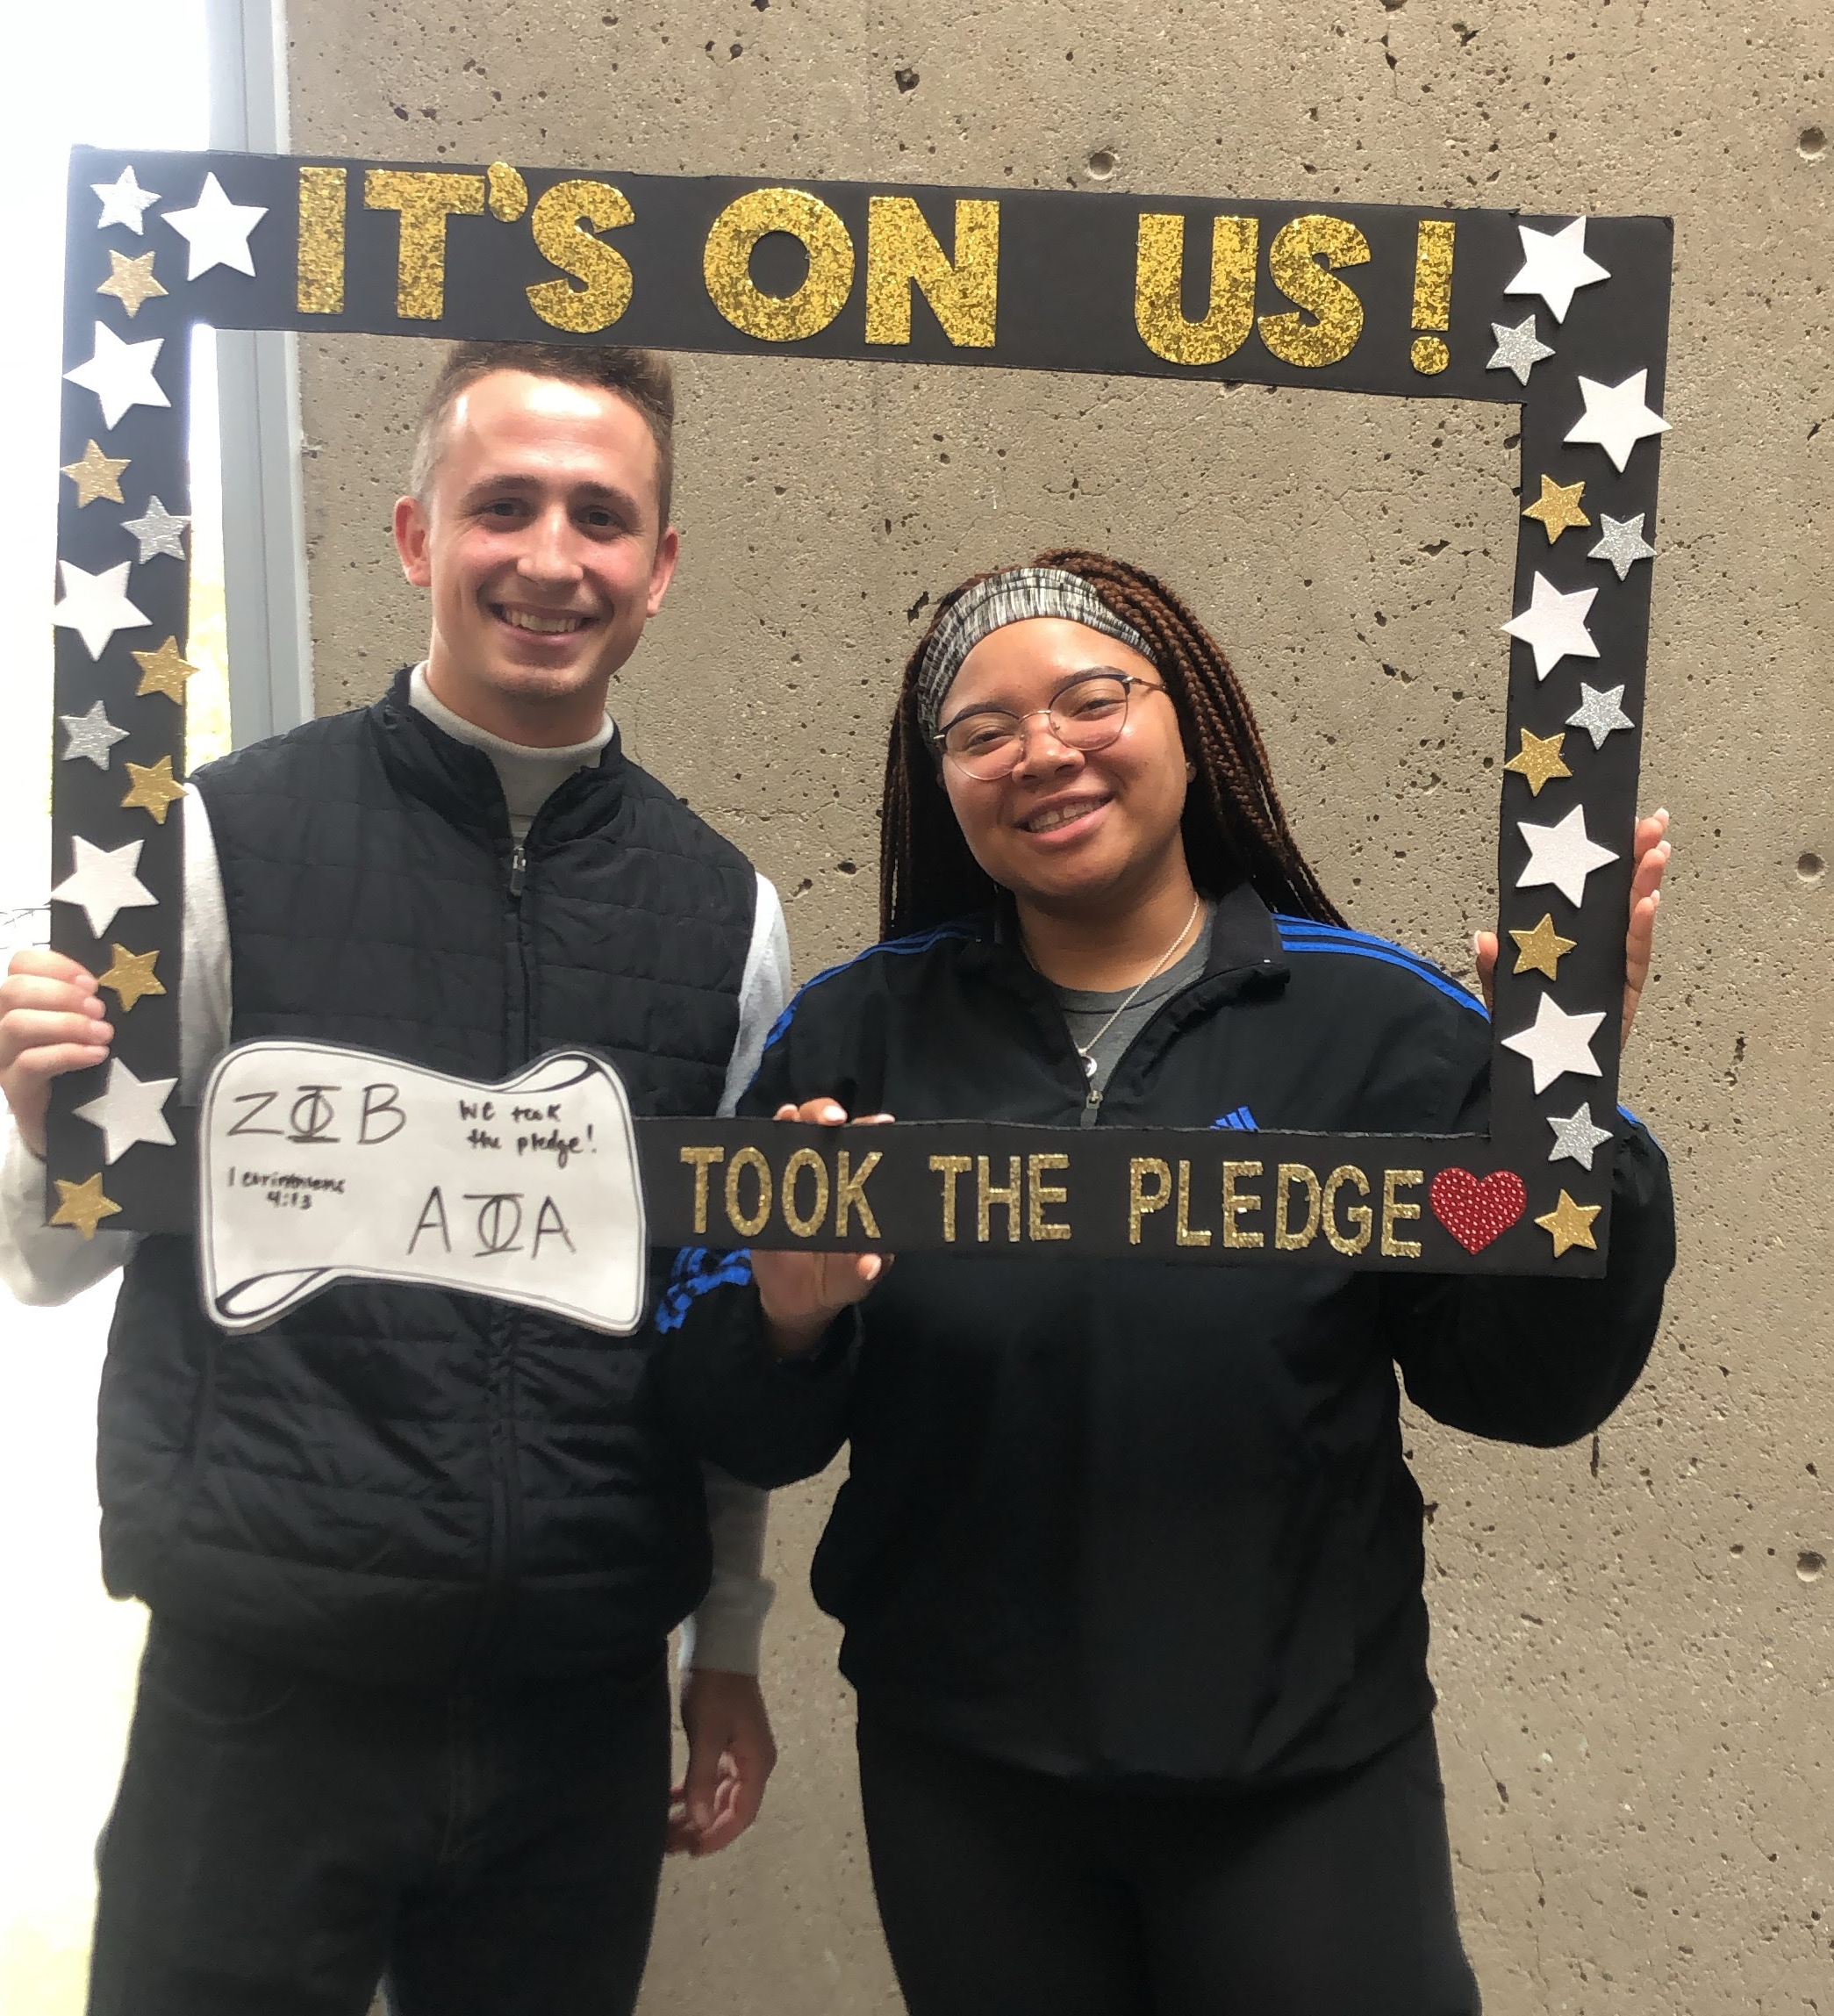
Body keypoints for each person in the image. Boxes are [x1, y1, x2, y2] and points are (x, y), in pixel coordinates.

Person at [658, 550, 1676, 2016]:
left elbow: (1520, 1377)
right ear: (937, 778)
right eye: (981, 729)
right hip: (969, 1790)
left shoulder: (1379, 1032)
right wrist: (788, 1314)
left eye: (1090, 698)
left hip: (1306, 1781)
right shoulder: (851, 1039)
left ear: (1188, 720)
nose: (1043, 752)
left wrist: (1571, 1112)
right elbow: (733, 1419)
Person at [1, 341, 787, 2016]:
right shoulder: (211, 844)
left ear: (660, 568)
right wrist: (32, 1115)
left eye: (601, 514)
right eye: (503, 505)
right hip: (256, 1696)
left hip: (576, 1706)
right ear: (418, 535)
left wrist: (727, 1644)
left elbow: (713, 1326)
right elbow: (49, 1261)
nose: (550, 557)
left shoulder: (731, 918)